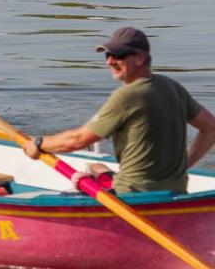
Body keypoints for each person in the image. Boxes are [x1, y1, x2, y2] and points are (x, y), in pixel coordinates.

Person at [22, 27, 215, 195]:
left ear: (139, 58)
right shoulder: (172, 86)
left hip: (131, 194)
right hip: (176, 190)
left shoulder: (127, 96)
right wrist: (180, 169)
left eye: (118, 56)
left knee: (84, 180)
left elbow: (78, 140)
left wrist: (39, 144)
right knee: (94, 167)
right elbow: (211, 128)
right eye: (107, 55)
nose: (109, 62)